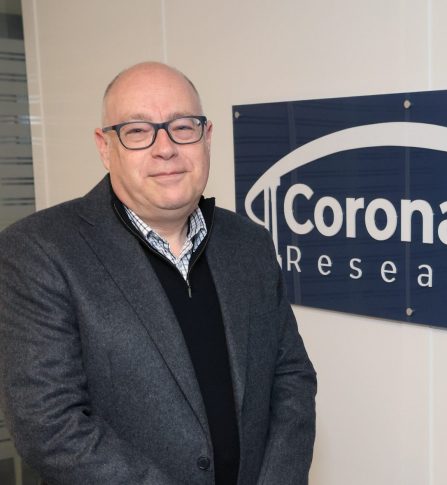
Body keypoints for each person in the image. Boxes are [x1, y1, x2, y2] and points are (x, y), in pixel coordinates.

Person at [0, 62, 317, 485]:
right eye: (137, 131)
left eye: (182, 127)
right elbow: (49, 426)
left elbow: (291, 377)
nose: (165, 148)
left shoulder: (250, 243)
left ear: (207, 137)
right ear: (105, 147)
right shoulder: (38, 251)